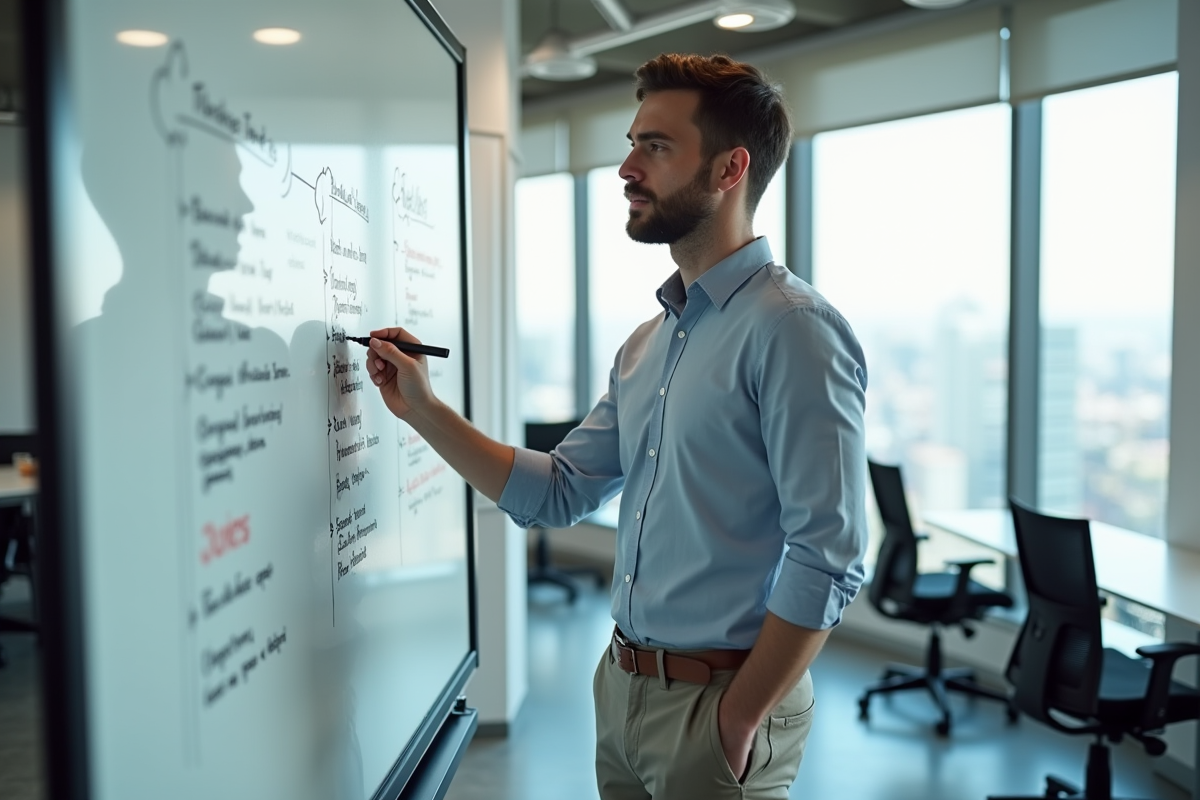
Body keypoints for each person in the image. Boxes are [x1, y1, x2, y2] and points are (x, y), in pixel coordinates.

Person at [365, 53, 868, 800]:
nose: (627, 167)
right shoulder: (648, 342)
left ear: (730, 170)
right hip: (622, 688)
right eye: (632, 143)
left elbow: (828, 555)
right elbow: (561, 491)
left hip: (719, 709)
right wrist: (427, 413)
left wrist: (735, 718)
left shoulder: (794, 330)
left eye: (655, 147)